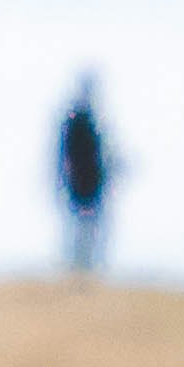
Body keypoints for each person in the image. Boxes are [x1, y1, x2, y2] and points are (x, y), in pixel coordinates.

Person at [52, 80, 115, 274]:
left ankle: (82, 268)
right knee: (82, 229)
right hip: (82, 185)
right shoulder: (80, 121)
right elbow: (67, 156)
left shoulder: (88, 121)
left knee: (86, 229)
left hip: (90, 185)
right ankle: (79, 268)